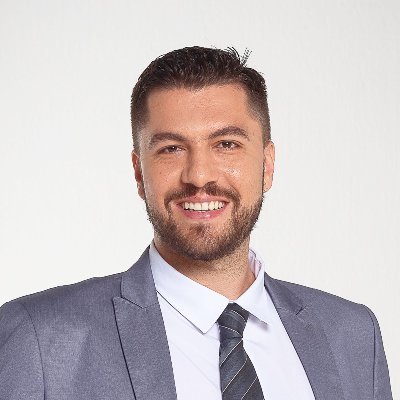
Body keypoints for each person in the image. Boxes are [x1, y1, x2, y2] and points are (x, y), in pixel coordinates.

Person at [0, 46, 392, 400]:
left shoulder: (353, 336)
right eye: (171, 148)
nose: (199, 175)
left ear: (267, 165)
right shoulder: (42, 341)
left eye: (227, 144)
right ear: (139, 173)